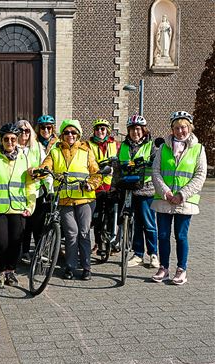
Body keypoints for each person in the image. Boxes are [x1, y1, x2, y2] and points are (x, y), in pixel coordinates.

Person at [36, 119, 101, 280]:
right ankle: (70, 267)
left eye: (73, 132)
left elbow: (97, 173)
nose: (70, 135)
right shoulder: (55, 151)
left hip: (85, 200)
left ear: (78, 134)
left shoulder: (86, 151)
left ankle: (86, 267)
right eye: (66, 132)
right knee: (72, 233)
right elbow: (46, 165)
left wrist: (91, 185)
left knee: (84, 233)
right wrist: (41, 171)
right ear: (62, 135)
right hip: (64, 201)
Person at [151, 111, 207, 285]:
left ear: (189, 128)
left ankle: (181, 269)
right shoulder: (163, 148)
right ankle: (164, 268)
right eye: (176, 127)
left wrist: (182, 194)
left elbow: (200, 175)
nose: (180, 131)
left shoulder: (198, 149)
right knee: (163, 235)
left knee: (181, 236)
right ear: (172, 129)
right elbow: (156, 172)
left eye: (183, 127)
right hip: (164, 199)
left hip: (185, 201)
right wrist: (166, 192)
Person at [0, 123, 36, 287]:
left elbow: (30, 184)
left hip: (18, 208)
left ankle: (10, 271)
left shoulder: (25, 158)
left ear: (17, 139)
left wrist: (30, 205)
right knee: (1, 243)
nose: (10, 142)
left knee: (15, 243)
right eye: (6, 139)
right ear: (1, 139)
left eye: (13, 139)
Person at [119, 115, 159, 269]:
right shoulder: (123, 146)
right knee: (134, 224)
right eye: (132, 129)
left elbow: (156, 164)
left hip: (146, 190)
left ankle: (153, 254)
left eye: (138, 129)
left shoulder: (151, 146)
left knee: (148, 224)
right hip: (129, 189)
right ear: (128, 131)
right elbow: (118, 163)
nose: (135, 132)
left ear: (143, 130)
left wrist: (149, 162)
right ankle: (138, 254)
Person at [16, 119, 50, 258]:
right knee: (24, 226)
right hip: (18, 192)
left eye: (27, 130)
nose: (24, 133)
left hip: (36, 192)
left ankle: (38, 251)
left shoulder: (37, 147)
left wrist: (49, 189)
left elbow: (45, 167)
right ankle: (24, 252)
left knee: (38, 225)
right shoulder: (12, 147)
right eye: (20, 130)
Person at [87, 119, 118, 257]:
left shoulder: (115, 144)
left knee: (111, 214)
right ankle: (99, 244)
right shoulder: (88, 145)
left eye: (103, 129)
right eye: (98, 129)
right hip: (96, 183)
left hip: (110, 184)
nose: (100, 131)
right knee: (98, 215)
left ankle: (111, 241)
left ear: (107, 131)